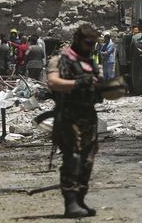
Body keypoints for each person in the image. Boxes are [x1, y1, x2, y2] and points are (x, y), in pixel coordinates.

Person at [46, 24, 102, 218]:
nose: (91, 47)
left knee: (87, 160)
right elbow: (53, 82)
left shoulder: (89, 62)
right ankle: (70, 202)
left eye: (94, 43)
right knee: (73, 158)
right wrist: (78, 83)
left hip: (88, 117)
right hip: (69, 117)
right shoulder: (59, 61)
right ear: (78, 40)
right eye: (88, 43)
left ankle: (80, 199)